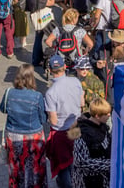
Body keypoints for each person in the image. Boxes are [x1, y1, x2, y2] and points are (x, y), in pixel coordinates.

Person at [0, 63, 48, 188]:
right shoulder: (37, 96)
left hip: (13, 136)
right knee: (36, 169)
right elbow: (43, 118)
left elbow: (2, 109)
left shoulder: (9, 92)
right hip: (34, 137)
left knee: (16, 168)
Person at [45, 54, 84, 188]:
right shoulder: (76, 82)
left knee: (63, 166)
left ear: (50, 70)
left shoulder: (50, 93)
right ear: (65, 67)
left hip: (60, 133)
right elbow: (82, 103)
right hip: (76, 128)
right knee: (75, 160)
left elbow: (54, 120)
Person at [72, 97, 112, 188]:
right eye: (106, 114)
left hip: (101, 180)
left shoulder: (103, 127)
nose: (109, 115)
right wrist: (109, 164)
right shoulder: (82, 133)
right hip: (87, 182)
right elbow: (81, 162)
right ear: (97, 116)